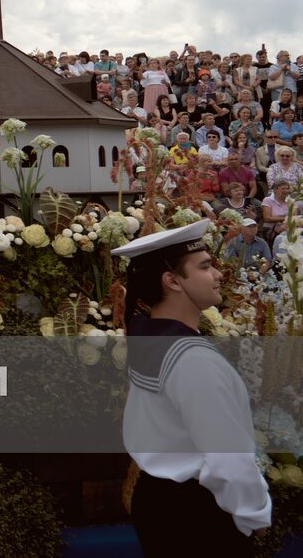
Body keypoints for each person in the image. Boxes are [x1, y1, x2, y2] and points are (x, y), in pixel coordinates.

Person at [115, 220, 270, 552]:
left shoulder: (150, 338)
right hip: (197, 513)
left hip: (158, 499)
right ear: (172, 281)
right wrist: (255, 515)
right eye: (204, 267)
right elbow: (228, 458)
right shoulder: (192, 359)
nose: (217, 274)